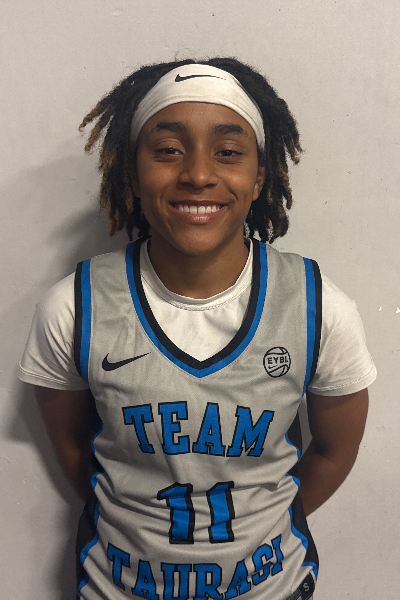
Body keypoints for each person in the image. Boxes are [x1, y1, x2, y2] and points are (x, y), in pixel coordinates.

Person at [19, 58, 376, 600]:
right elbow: (74, 451)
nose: (199, 174)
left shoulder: (318, 306)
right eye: (168, 150)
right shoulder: (73, 307)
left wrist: (260, 521)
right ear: (133, 173)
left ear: (259, 176)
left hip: (269, 587)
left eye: (228, 152)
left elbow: (333, 452)